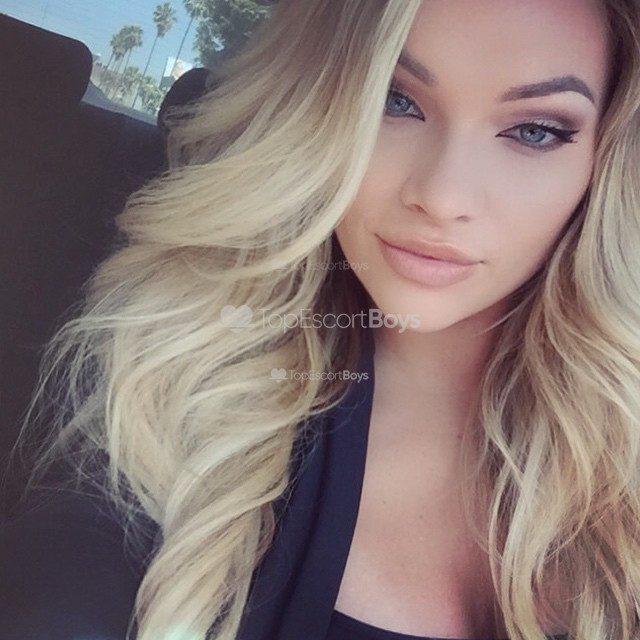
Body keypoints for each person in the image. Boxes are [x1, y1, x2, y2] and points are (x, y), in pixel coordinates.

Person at [1, 0, 639, 638]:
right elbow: (74, 564)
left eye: (536, 131)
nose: (443, 197)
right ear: (315, 110)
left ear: (606, 161)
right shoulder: (186, 377)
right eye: (394, 99)